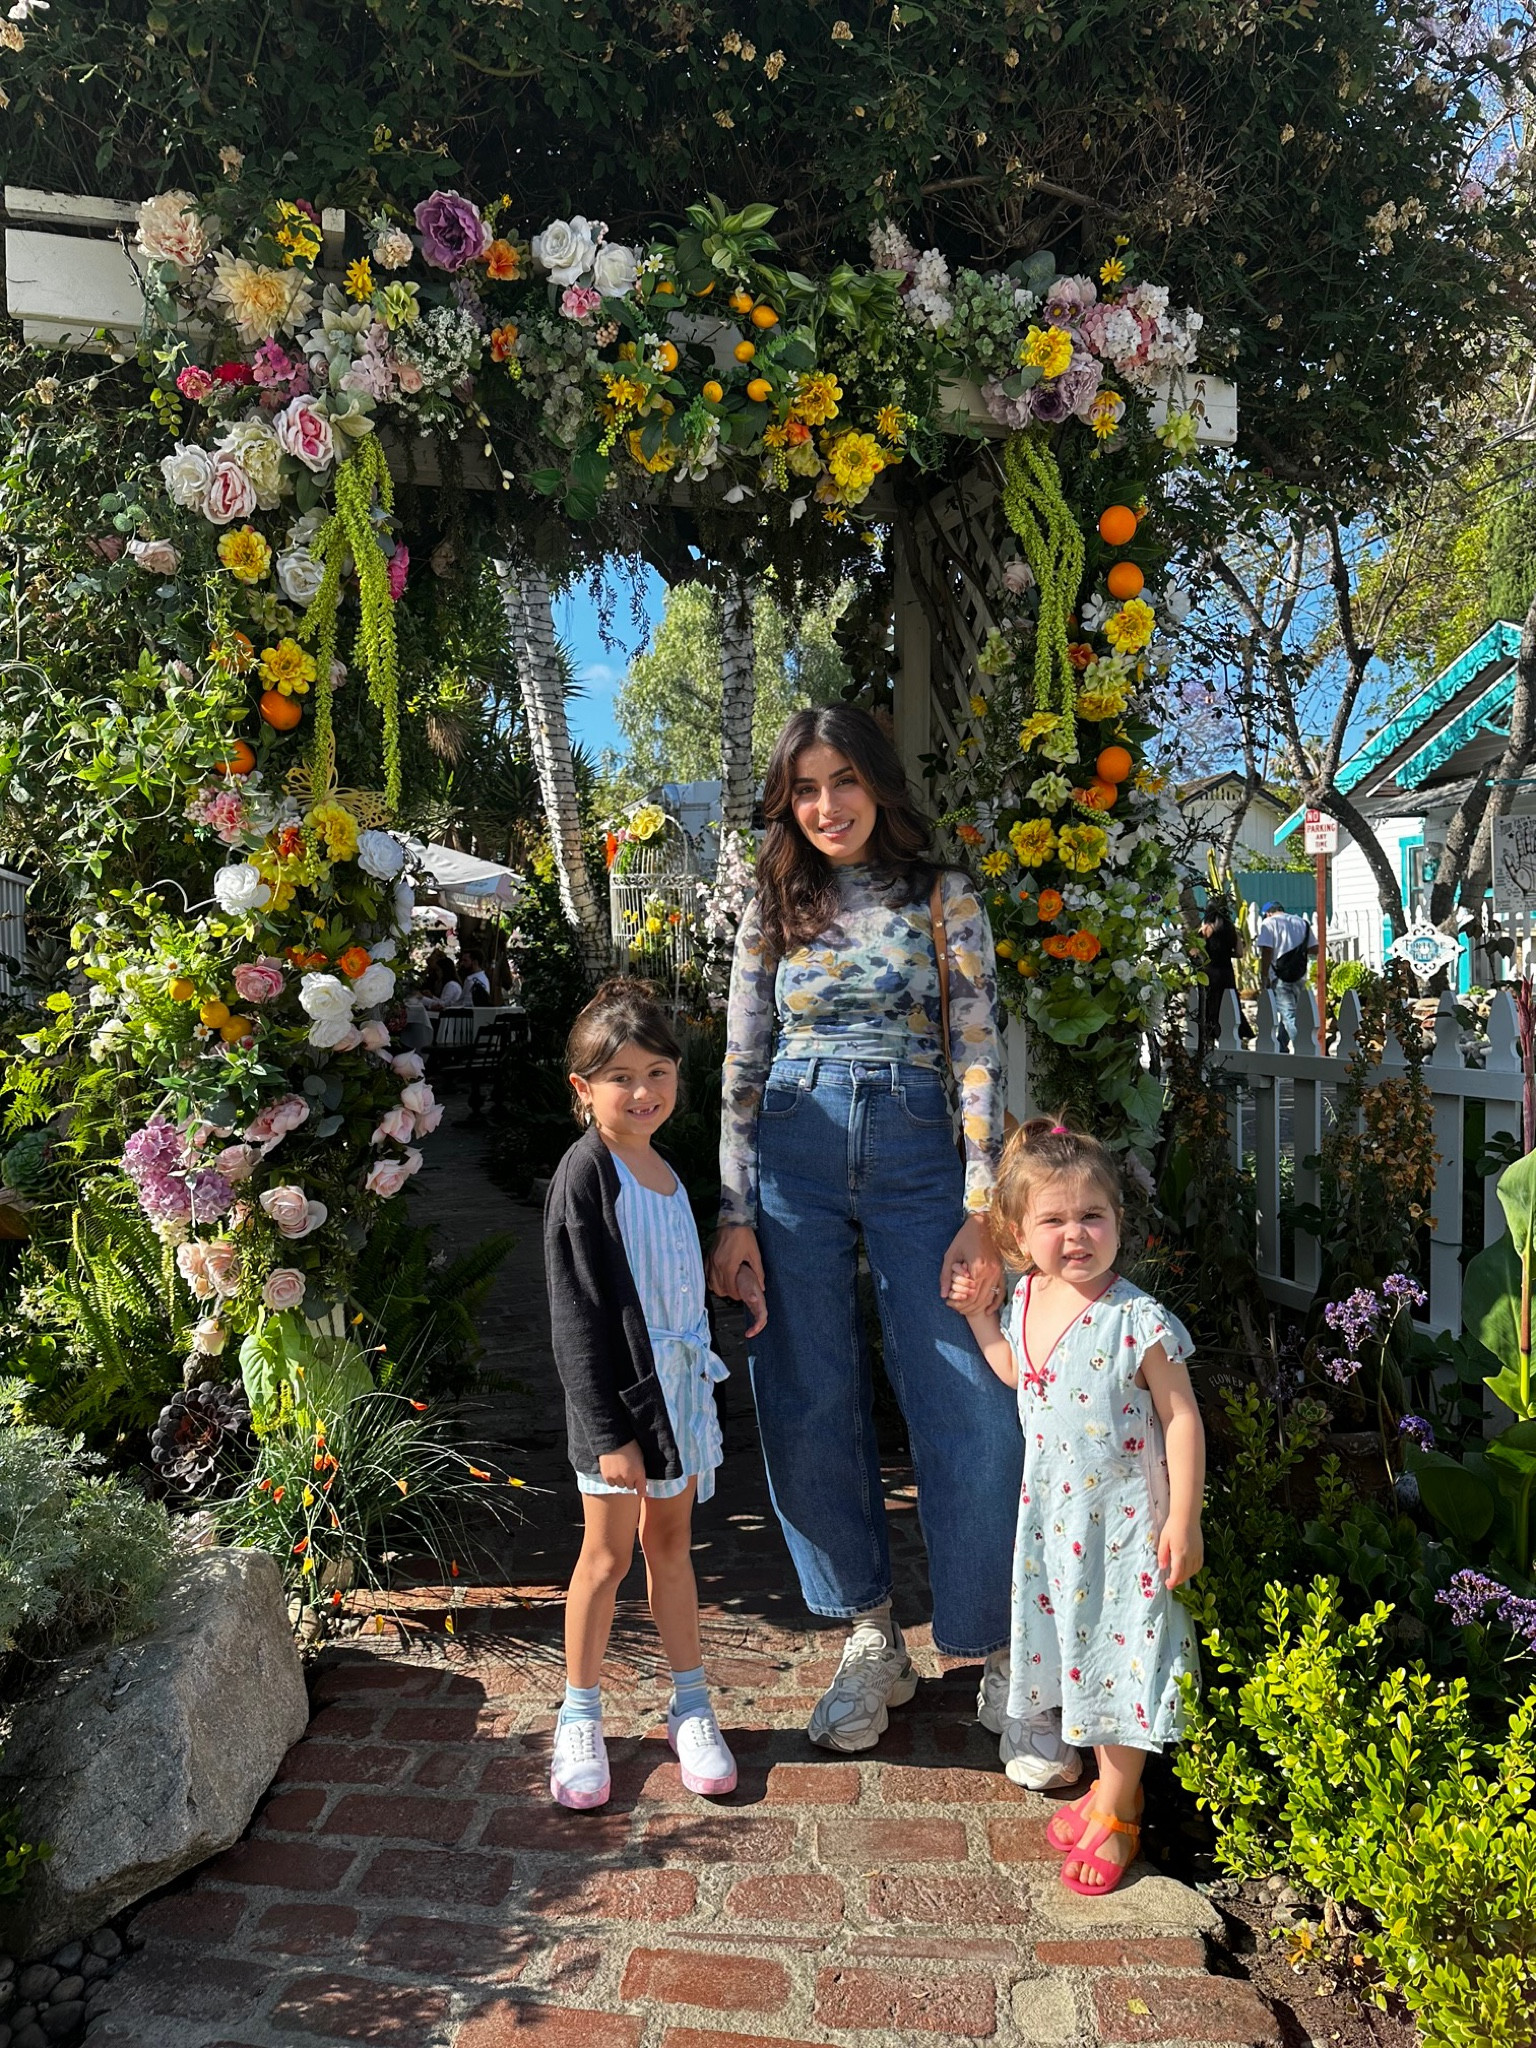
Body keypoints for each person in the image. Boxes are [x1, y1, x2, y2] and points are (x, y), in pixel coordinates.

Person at [707, 706, 1047, 1779]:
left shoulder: (943, 893)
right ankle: (868, 1633)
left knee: (965, 1387)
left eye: (843, 780)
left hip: (918, 1149)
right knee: (806, 1387)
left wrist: (984, 1203)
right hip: (795, 1148)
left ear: (879, 784)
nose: (826, 806)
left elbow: (980, 1047)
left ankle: (992, 1645)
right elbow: (743, 1057)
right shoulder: (775, 901)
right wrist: (734, 1211)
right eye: (805, 788)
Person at [950, 1119, 1205, 1893]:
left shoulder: (1138, 1320)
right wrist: (979, 1319)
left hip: (1127, 1530)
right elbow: (1016, 1375)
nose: (1076, 1236)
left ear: (1118, 1224)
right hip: (1054, 1528)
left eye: (1092, 1217)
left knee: (1121, 1662)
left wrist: (1183, 1519)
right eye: (1053, 1221)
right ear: (1018, 1234)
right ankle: (1101, 1785)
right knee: (1078, 1660)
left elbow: (1182, 1417)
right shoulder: (1027, 1297)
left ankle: (1123, 1807)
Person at [543, 978, 736, 1809]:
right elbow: (577, 1316)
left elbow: (679, 1292)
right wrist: (608, 1430)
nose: (643, 1091)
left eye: (659, 1072)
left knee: (670, 1547)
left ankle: (689, 1703)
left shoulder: (665, 1170)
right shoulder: (586, 1176)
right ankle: (578, 1714)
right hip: (620, 1409)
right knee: (606, 1557)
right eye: (621, 1076)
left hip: (679, 1397)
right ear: (583, 1090)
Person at [1256, 900, 1312, 1052]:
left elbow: (1267, 951)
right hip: (1300, 974)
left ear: (1268, 913)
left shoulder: (1269, 923)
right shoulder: (1302, 922)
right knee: (1289, 1011)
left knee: (1288, 1014)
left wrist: (1264, 975)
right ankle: (1282, 1047)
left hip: (1280, 976)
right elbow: (1314, 948)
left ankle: (1303, 1048)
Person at [1197, 901, 1249, 1046]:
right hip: (1226, 971)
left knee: (1211, 1004)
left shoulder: (1205, 929)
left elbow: (1194, 951)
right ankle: (1235, 1036)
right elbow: (1239, 953)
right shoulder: (1232, 930)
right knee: (1229, 1003)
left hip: (1210, 971)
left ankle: (1210, 1036)